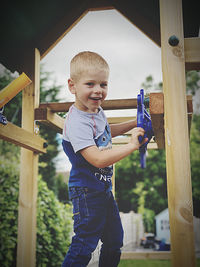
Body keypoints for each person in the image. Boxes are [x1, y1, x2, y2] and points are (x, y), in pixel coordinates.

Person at [62, 51, 147, 267]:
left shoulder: (96, 111)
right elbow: (97, 159)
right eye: (90, 84)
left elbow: (106, 131)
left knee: (114, 240)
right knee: (84, 244)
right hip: (87, 191)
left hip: (102, 190)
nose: (98, 90)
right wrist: (131, 145)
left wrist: (132, 125)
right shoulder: (77, 121)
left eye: (103, 84)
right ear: (72, 86)